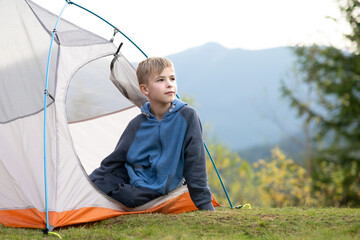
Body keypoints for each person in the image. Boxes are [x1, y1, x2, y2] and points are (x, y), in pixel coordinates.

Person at [89, 57, 215, 211]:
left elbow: (196, 164)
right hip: (135, 176)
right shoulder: (138, 124)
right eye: (161, 80)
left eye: (172, 78)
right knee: (100, 180)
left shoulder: (187, 116)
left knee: (129, 197)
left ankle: (123, 194)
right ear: (145, 90)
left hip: (158, 187)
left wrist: (205, 205)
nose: (169, 84)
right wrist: (89, 182)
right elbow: (115, 160)